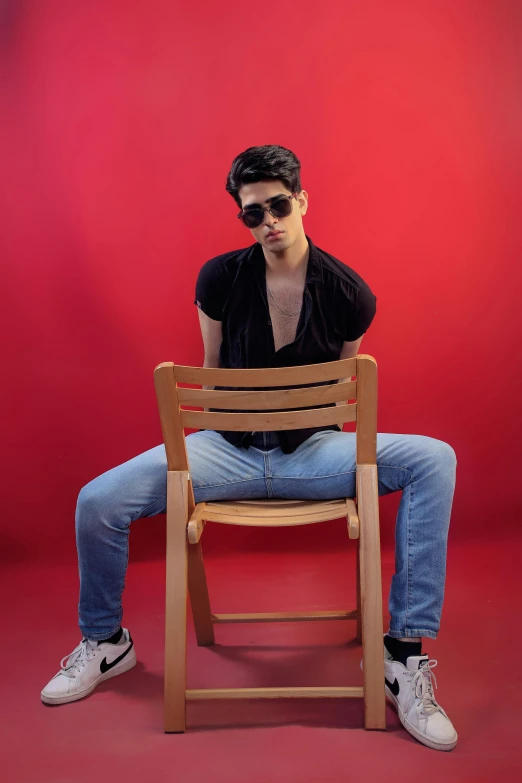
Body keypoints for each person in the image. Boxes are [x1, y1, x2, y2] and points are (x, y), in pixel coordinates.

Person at [41, 145, 457, 752]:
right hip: (223, 452)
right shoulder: (218, 278)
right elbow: (211, 376)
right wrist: (228, 421)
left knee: (435, 458)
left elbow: (340, 397)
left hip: (313, 454)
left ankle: (403, 655)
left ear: (303, 201)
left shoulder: (349, 293)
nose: (268, 223)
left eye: (278, 206)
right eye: (252, 213)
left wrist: (301, 418)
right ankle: (106, 644)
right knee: (96, 501)